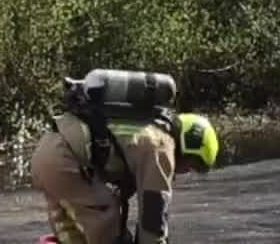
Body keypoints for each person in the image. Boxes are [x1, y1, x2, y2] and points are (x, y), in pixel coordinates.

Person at [28, 98, 219, 244]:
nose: (185, 171)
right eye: (191, 164)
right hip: (65, 160)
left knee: (76, 238)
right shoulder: (162, 146)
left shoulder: (148, 130)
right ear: (186, 146)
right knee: (108, 224)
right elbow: (153, 218)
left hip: (48, 151)